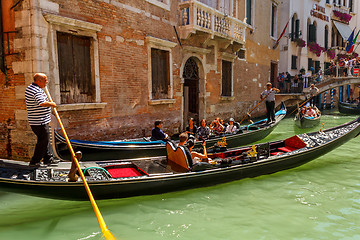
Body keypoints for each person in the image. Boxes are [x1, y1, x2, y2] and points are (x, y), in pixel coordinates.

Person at [25, 73, 58, 167]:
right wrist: (52, 104)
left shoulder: (31, 88)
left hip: (40, 120)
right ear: (39, 81)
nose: (47, 82)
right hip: (39, 122)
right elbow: (42, 103)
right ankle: (34, 161)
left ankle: (48, 159)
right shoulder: (35, 90)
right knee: (43, 141)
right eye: (45, 80)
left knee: (45, 140)